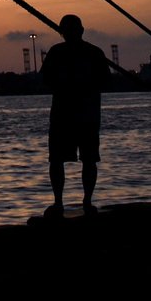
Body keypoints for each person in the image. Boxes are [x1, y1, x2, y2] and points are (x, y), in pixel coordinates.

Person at [39, 14, 111, 219]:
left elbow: (45, 80)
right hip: (81, 114)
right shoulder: (93, 53)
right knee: (77, 160)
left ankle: (65, 203)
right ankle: (80, 202)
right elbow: (106, 81)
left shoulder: (60, 52)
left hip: (70, 114)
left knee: (73, 160)